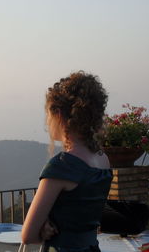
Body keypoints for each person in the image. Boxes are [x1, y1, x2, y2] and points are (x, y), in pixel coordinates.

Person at [21, 71, 112, 252]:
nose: (47, 122)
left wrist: (42, 228)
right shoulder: (103, 160)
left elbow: (28, 235)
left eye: (48, 115)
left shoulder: (62, 166)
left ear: (59, 115)